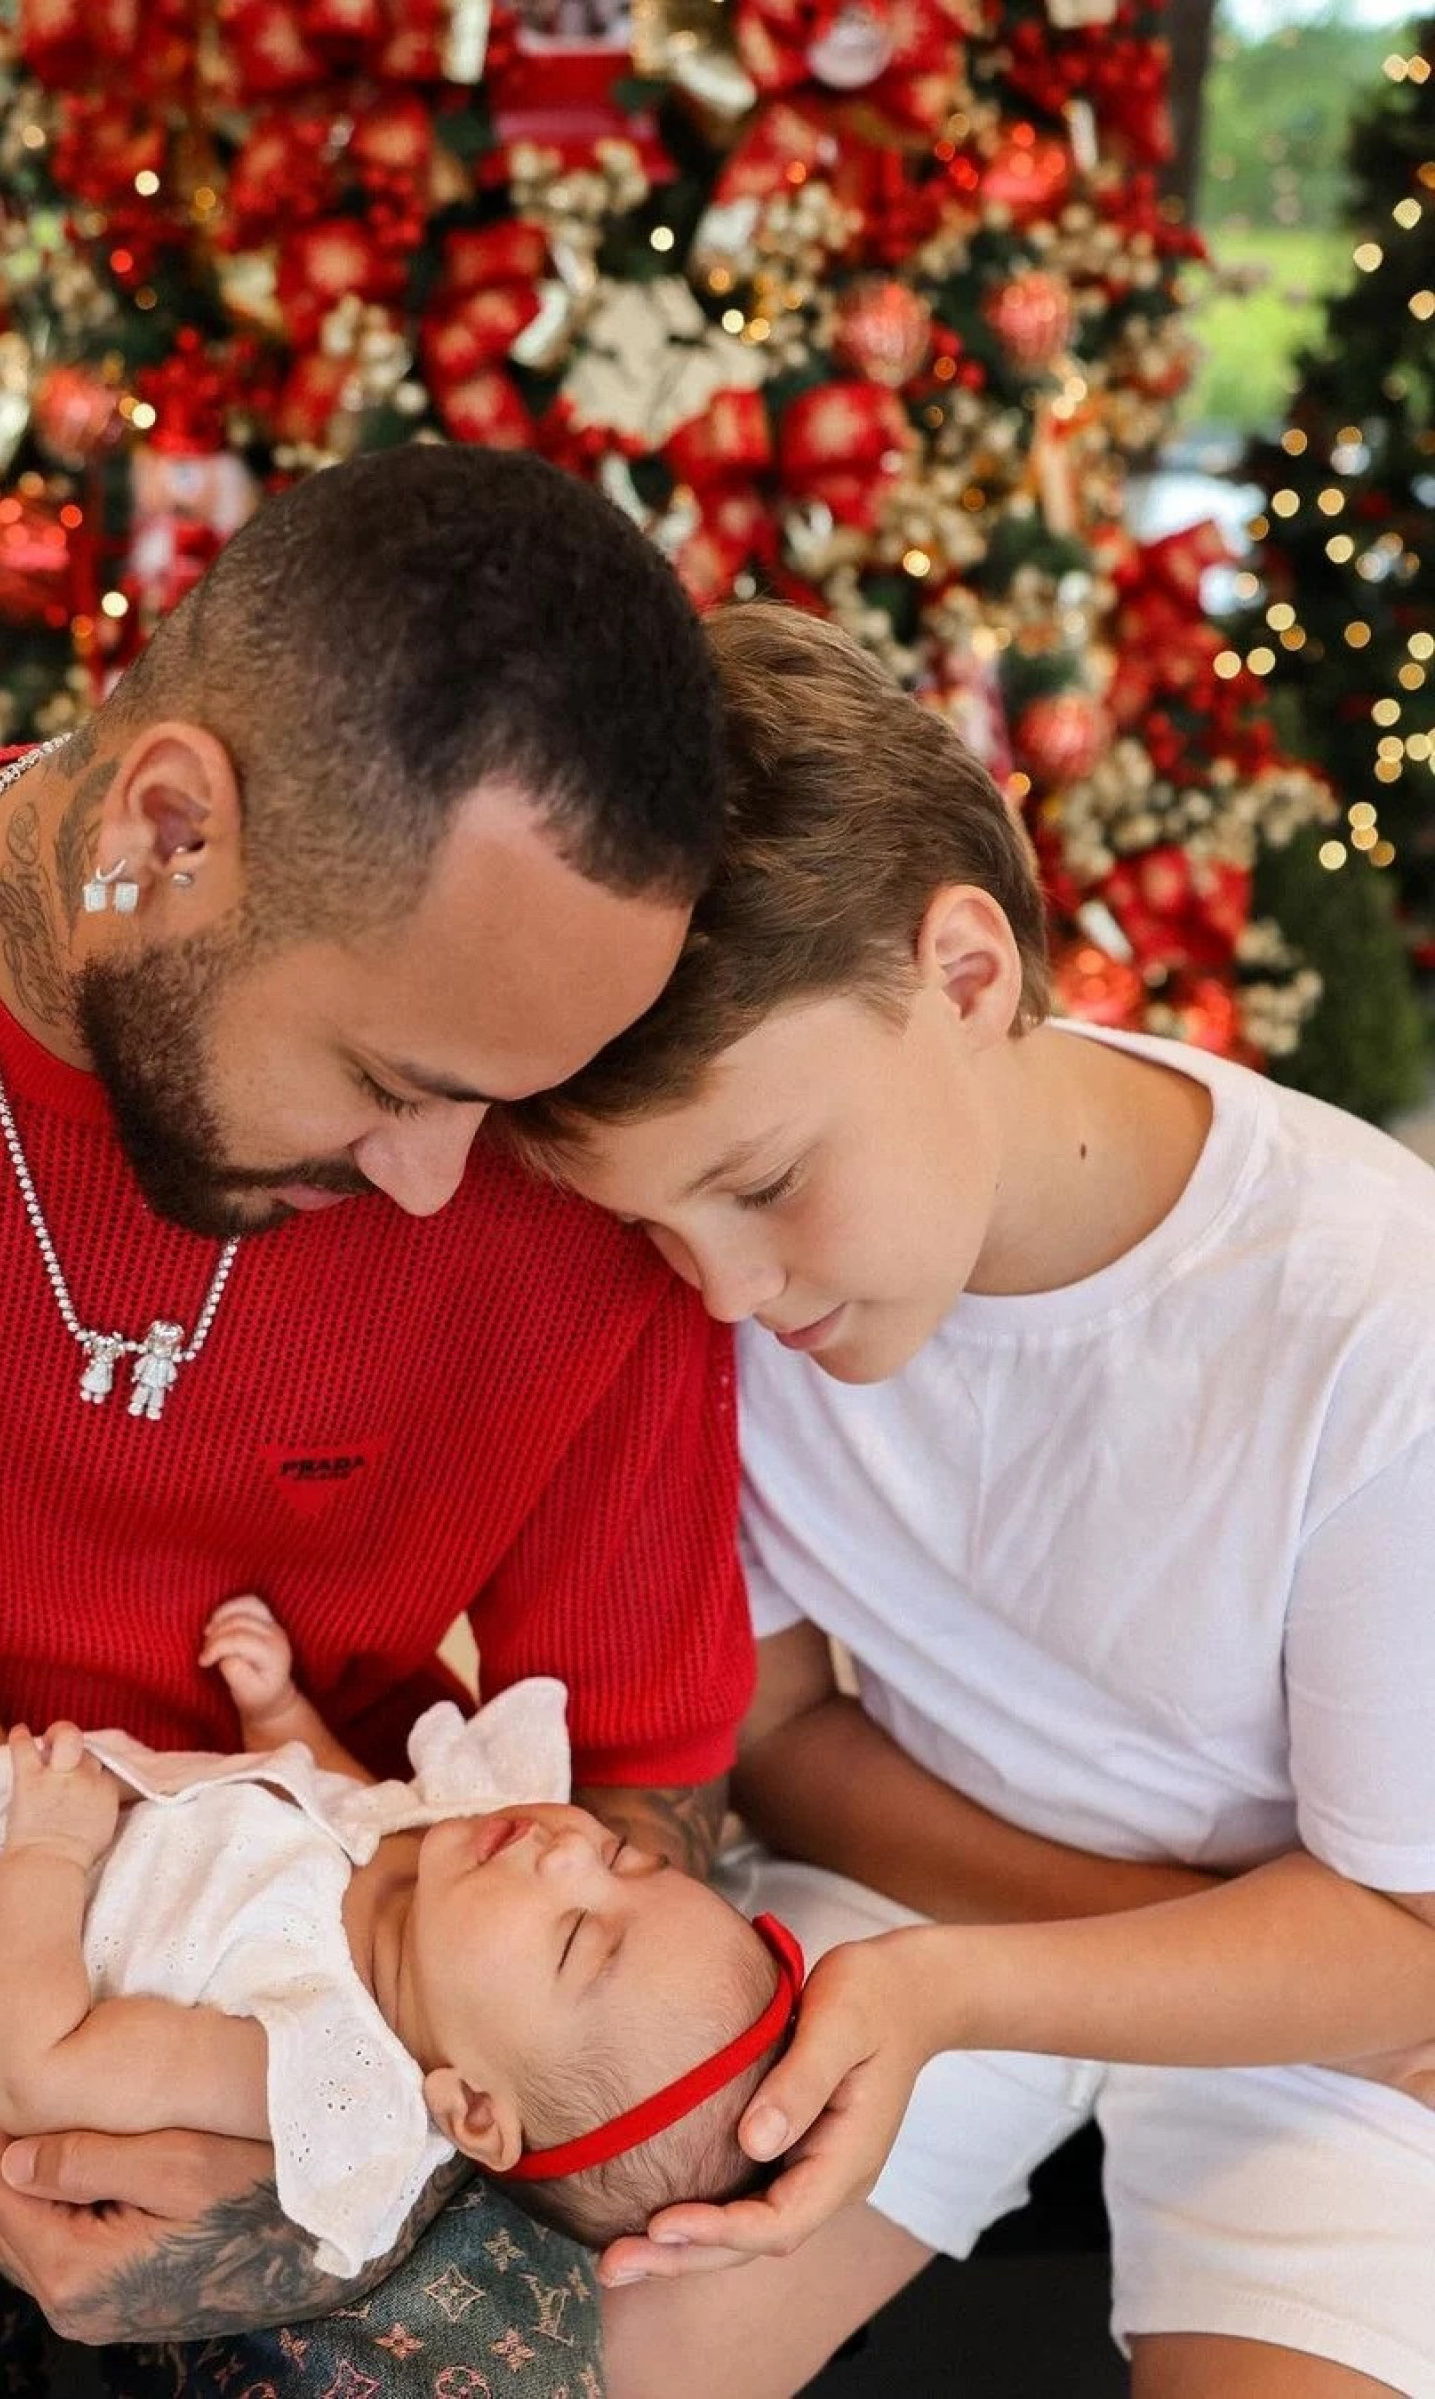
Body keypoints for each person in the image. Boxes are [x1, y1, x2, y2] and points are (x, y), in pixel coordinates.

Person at [0, 443, 753, 2397]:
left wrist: (315, 2152)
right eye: (391, 1077)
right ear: (170, 825)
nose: (449, 1177)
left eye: (509, 1099)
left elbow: (643, 1786)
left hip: (327, 2065)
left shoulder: (567, 1164)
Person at [506, 601, 1435, 2399]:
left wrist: (995, 1979)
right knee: (589, 2368)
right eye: (655, 1224)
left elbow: (1404, 1940)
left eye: (765, 1183)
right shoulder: (731, 1284)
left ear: (964, 973)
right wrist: (1015, 1961)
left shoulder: (1373, 1329)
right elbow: (775, 1733)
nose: (720, 1293)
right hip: (931, 1897)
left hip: (1315, 2004)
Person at [0, 1600, 798, 2270]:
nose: (571, 1850)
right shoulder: (438, 1846)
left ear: (468, 2104)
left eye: (574, 1937)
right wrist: (280, 1711)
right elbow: (335, 1791)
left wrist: (51, 1852)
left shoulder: (312, 2059)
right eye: (624, 1856)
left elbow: (38, 2072)